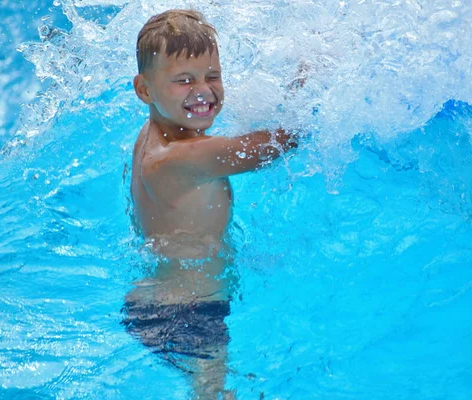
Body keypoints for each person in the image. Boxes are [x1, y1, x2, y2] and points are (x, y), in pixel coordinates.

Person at [122, 9, 298, 399]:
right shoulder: (182, 158)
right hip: (188, 312)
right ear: (145, 89)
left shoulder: (152, 136)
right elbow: (275, 145)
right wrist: (312, 89)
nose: (202, 91)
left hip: (152, 301)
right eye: (184, 81)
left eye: (212, 76)